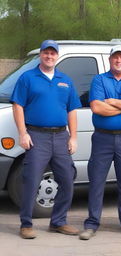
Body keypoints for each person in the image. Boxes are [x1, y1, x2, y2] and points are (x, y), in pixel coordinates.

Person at [11, 40, 82, 239]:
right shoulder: (28, 78)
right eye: (46, 53)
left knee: (67, 180)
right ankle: (26, 224)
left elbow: (72, 110)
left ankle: (58, 222)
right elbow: (18, 106)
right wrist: (23, 133)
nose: (49, 56)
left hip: (61, 136)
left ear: (57, 56)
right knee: (31, 181)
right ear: (41, 55)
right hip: (36, 136)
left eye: (53, 53)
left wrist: (73, 137)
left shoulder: (65, 80)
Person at [79, 45, 121, 240]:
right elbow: (97, 108)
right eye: (115, 57)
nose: (119, 60)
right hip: (103, 138)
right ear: (110, 60)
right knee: (97, 181)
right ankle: (92, 223)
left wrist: (113, 102)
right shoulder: (99, 79)